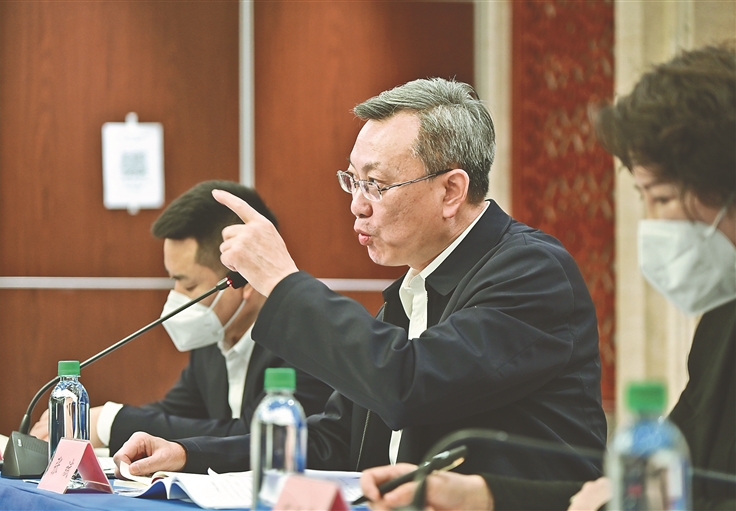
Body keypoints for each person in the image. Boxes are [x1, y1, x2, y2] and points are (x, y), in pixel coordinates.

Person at [114, 78, 607, 483]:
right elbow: (336, 438)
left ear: (451, 191)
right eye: (352, 180)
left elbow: (410, 386)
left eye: (376, 184)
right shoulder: (413, 289)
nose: (357, 204)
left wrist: (284, 281)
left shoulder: (531, 272)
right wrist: (189, 453)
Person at [359, 42, 736, 510]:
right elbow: (668, 492)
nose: (652, 224)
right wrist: (481, 496)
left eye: (661, 198)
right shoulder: (723, 320)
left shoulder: (530, 269)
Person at [30, 180, 333, 454]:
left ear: (246, 280)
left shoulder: (306, 340)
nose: (176, 298)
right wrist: (101, 424)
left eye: (188, 285)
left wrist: (110, 422)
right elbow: (174, 415)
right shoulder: (214, 338)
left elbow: (253, 438)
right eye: (173, 280)